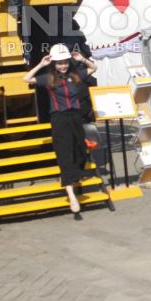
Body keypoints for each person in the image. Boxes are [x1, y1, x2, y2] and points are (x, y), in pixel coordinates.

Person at [23, 43, 97, 219]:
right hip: (59, 120)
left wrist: (82, 59)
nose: (62, 65)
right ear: (54, 64)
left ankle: (73, 180)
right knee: (65, 155)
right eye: (59, 63)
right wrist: (41, 64)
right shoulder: (48, 78)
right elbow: (26, 79)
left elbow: (94, 68)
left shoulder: (76, 75)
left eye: (64, 62)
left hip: (76, 118)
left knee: (80, 151)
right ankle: (71, 195)